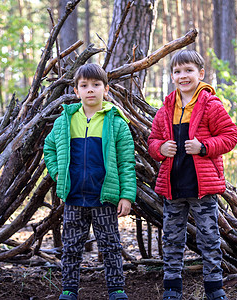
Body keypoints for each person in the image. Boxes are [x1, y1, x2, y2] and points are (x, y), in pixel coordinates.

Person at [148, 50, 237, 300]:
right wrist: (160, 148)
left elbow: (230, 136)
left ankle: (214, 288)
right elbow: (153, 141)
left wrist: (204, 147)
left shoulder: (210, 105)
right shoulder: (166, 108)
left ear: (201, 73)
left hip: (203, 188)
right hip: (173, 188)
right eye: (177, 71)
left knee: (209, 238)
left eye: (188, 70)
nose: (183, 76)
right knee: (172, 240)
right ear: (172, 76)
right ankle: (172, 289)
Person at [44, 63, 137, 300]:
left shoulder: (115, 122)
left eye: (96, 85)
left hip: (104, 197)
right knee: (72, 247)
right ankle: (69, 290)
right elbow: (50, 149)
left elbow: (127, 162)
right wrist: (58, 175)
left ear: (106, 89)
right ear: (76, 91)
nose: (90, 90)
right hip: (74, 197)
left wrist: (126, 195)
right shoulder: (66, 121)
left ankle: (116, 289)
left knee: (110, 245)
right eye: (84, 86)